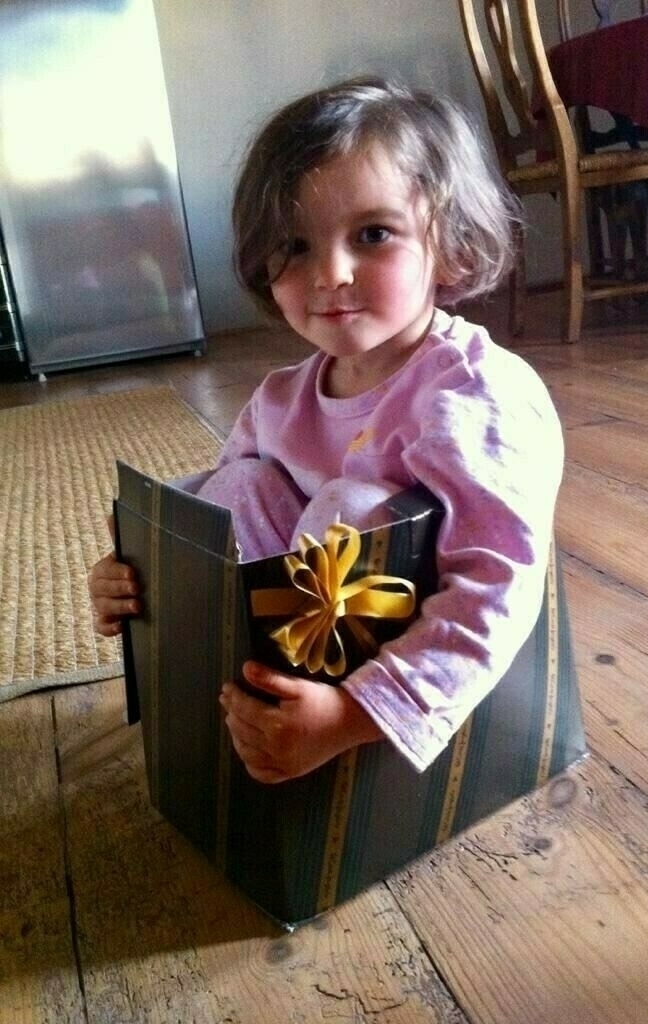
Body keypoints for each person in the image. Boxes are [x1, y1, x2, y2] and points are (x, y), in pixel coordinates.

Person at [88, 76, 564, 785]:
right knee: (241, 482)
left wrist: (352, 716)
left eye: (374, 234)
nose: (331, 273)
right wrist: (141, 569)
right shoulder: (280, 397)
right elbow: (217, 510)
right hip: (289, 650)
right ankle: (256, 701)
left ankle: (329, 725)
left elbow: (494, 586)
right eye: (297, 246)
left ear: (451, 243)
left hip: (392, 690)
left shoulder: (473, 397)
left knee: (353, 509)